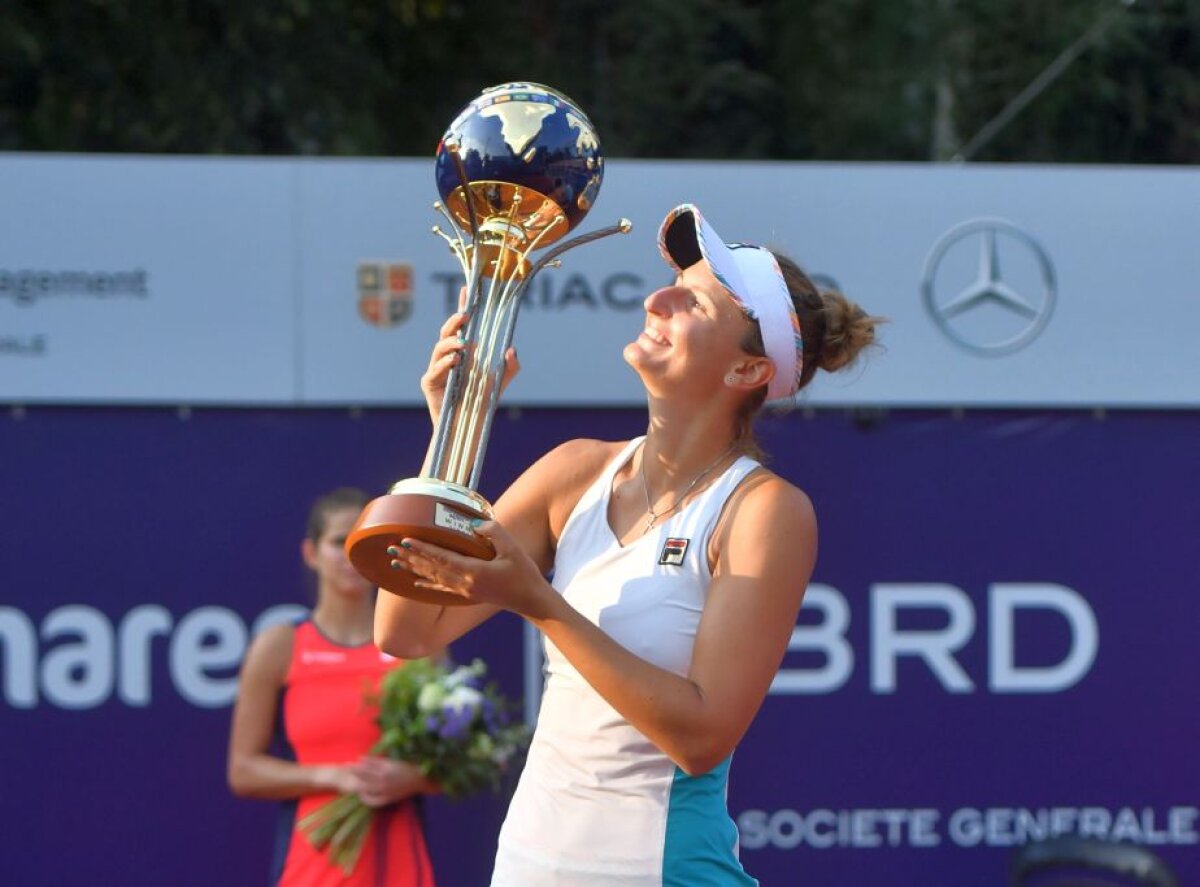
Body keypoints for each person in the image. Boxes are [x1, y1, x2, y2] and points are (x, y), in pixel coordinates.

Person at [378, 204, 881, 885]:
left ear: (746, 372)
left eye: (693, 301)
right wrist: (454, 437)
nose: (656, 298)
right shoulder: (573, 470)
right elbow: (406, 627)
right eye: (671, 284)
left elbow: (701, 739)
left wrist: (540, 602)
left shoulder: (765, 511)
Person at [228, 487, 437, 886]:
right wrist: (333, 778)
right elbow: (243, 770)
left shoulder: (417, 646)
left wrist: (412, 777)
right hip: (310, 867)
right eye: (339, 541)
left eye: (363, 540)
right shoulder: (279, 646)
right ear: (311, 553)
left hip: (400, 864)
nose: (350, 554)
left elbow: (465, 761)